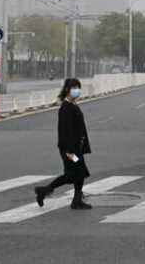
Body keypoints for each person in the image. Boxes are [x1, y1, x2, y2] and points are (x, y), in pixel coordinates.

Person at [34, 78, 92, 210]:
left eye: (78, 87)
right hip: (70, 150)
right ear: (67, 90)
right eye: (74, 88)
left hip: (75, 148)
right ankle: (44, 191)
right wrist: (70, 151)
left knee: (78, 173)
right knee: (73, 174)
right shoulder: (66, 108)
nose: (77, 90)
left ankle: (75, 200)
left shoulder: (72, 105)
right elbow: (66, 131)